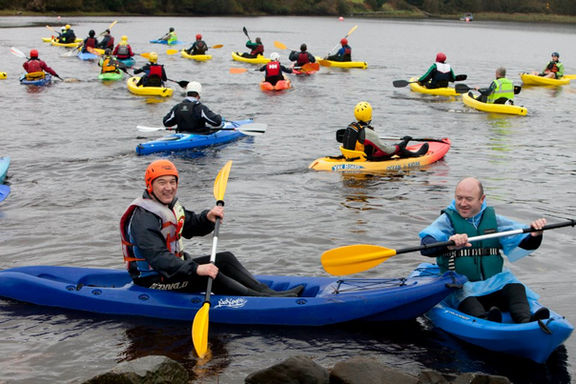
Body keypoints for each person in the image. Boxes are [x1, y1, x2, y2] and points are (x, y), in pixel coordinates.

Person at [119, 159, 304, 297]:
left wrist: (207, 218)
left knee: (225, 259)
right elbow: (158, 258)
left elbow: (189, 225)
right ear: (150, 185)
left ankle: (268, 292)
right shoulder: (143, 218)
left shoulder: (169, 206)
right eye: (162, 182)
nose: (169, 188)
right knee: (210, 275)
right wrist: (196, 269)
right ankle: (262, 300)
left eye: (172, 182)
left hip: (173, 271)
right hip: (153, 280)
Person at [419, 177, 550, 323]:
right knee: (466, 297)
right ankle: (485, 320)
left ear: (482, 199)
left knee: (516, 288)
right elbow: (426, 246)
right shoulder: (447, 220)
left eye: (469, 199)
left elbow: (524, 244)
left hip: (493, 283)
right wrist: (449, 244)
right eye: (459, 198)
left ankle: (526, 321)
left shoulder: (495, 221)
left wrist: (535, 235)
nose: (462, 204)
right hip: (461, 286)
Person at [338, 102, 428, 161]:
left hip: (351, 157)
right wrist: (403, 143)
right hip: (365, 159)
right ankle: (416, 155)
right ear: (369, 115)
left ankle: (403, 148)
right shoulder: (368, 133)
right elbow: (387, 150)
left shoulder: (351, 127)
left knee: (391, 147)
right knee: (396, 149)